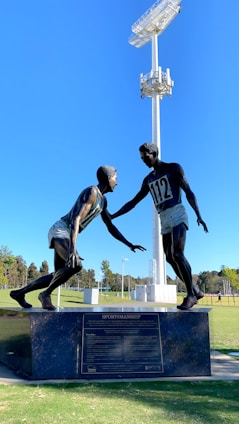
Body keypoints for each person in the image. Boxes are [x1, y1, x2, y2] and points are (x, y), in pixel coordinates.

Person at [10, 166, 146, 310]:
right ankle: (45, 295)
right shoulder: (92, 192)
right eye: (115, 179)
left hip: (67, 234)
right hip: (61, 230)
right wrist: (72, 250)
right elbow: (76, 218)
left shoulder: (103, 201)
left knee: (58, 274)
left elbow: (110, 226)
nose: (117, 183)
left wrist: (129, 244)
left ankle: (19, 293)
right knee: (76, 265)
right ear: (108, 178)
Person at [111, 143, 208, 310]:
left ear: (154, 153)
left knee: (177, 254)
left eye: (146, 157)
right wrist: (113, 216)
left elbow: (188, 191)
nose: (144, 161)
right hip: (163, 218)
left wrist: (199, 215)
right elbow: (133, 202)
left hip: (177, 212)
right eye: (141, 159)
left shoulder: (174, 168)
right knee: (169, 257)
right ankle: (195, 290)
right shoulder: (148, 179)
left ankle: (191, 295)